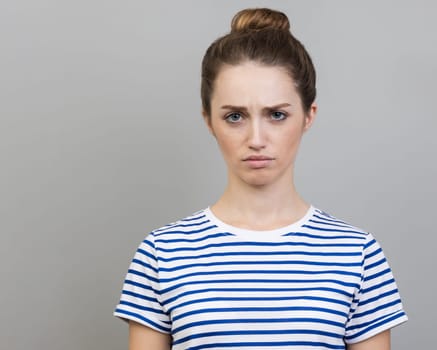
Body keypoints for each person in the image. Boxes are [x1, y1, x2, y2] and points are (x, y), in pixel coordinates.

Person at [114, 7, 407, 350]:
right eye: (235, 116)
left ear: (308, 116)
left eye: (277, 115)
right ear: (209, 120)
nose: (256, 138)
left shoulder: (357, 254)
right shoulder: (161, 253)